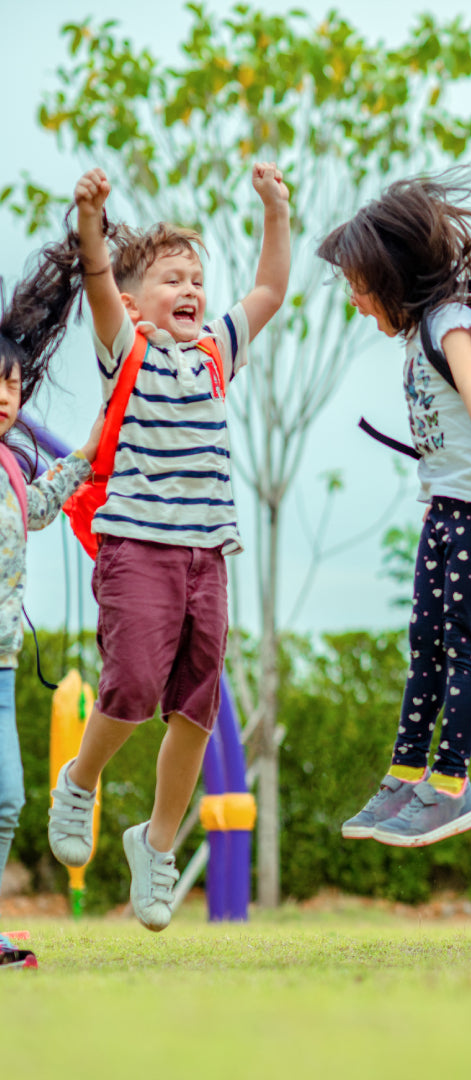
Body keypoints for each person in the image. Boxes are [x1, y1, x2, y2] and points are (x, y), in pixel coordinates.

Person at [47, 163, 290, 932]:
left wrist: (275, 212)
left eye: (197, 278)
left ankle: (153, 844)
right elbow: (94, 275)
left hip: (208, 555)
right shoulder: (128, 346)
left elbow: (272, 290)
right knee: (130, 686)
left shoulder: (217, 351)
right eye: (170, 278)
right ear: (133, 298)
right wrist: (91, 220)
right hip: (139, 548)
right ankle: (79, 780)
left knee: (195, 706)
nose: (189, 290)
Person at [318, 169, 471, 847]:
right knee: (426, 645)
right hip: (447, 503)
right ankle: (407, 774)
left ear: (393, 276)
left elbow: (470, 377)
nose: (354, 300)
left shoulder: (449, 319)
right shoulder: (419, 331)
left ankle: (451, 786)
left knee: (462, 645)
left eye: (359, 285)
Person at [0, 230, 104, 942]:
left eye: (10, 385)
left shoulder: (10, 469)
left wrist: (95, 442)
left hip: (2, 665)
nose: (4, 397)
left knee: (6, 800)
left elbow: (42, 504)